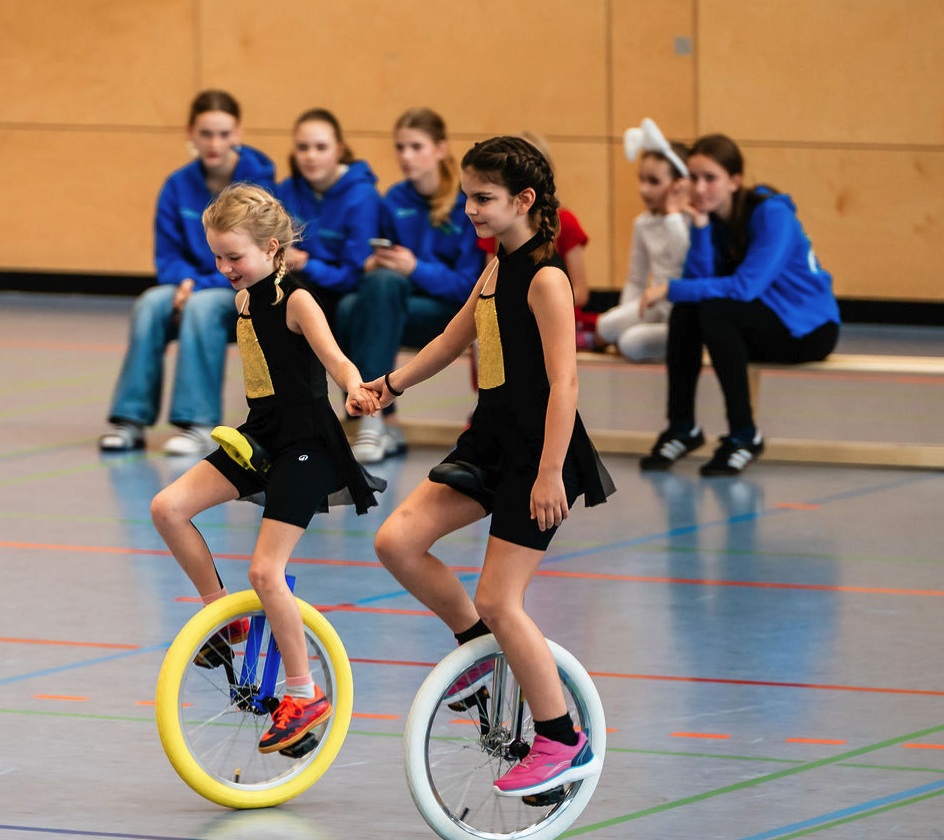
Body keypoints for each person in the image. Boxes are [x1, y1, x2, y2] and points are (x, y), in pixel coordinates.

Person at [371, 136, 614, 796]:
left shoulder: (546, 279)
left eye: (482, 198)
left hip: (540, 457)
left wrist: (548, 473)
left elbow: (565, 384)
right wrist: (388, 385)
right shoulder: (496, 267)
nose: (469, 209)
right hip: (487, 444)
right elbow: (454, 339)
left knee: (502, 597)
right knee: (396, 540)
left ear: (524, 201)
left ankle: (562, 735)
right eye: (467, 196)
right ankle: (476, 648)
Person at [150, 184, 384, 753]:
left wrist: (355, 390)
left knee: (264, 572)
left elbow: (337, 360)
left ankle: (302, 693)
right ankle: (221, 618)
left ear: (272, 247)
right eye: (217, 257)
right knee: (168, 508)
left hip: (308, 445)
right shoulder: (242, 300)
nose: (223, 268)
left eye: (234, 256)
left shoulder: (298, 301)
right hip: (261, 437)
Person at [640, 133, 840, 476]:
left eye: (711, 178)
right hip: (760, 319)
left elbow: (745, 287)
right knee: (689, 310)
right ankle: (682, 426)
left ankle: (744, 434)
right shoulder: (713, 220)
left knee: (715, 311)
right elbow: (697, 281)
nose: (700, 188)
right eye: (694, 178)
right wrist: (700, 228)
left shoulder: (772, 215)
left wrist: (667, 289)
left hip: (807, 329)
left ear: (734, 182)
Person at [100, 90, 276, 456]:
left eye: (224, 134)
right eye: (206, 134)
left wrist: (200, 285)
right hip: (189, 284)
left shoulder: (260, 182)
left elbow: (259, 258)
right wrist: (185, 282)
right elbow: (166, 255)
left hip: (240, 287)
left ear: (238, 134)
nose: (215, 143)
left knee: (203, 307)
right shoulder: (176, 185)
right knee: (150, 303)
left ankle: (197, 423)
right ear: (190, 134)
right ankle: (129, 421)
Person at [335, 107, 484, 464]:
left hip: (447, 313)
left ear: (441, 149)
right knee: (348, 306)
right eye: (400, 148)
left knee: (370, 299)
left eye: (416, 147)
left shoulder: (466, 202)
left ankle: (373, 419)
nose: (405, 156)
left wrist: (415, 268)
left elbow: (468, 285)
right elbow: (371, 263)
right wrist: (374, 263)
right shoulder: (395, 200)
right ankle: (384, 422)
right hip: (396, 305)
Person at [475, 131, 593, 349]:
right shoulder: (495, 226)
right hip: (511, 318)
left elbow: (581, 292)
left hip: (556, 318)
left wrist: (540, 306)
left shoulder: (565, 221)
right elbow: (490, 286)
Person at [275, 108, 380, 330]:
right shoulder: (287, 190)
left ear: (339, 150)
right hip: (297, 284)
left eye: (321, 147)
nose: (310, 156)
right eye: (303, 148)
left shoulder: (362, 196)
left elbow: (355, 274)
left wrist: (305, 264)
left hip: (341, 291)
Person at [595, 119, 690, 362]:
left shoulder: (691, 221)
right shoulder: (643, 223)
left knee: (631, 343)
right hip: (655, 306)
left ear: (680, 184)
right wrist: (628, 311)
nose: (644, 190)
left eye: (654, 181)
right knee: (606, 325)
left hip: (684, 311)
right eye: (642, 179)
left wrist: (672, 215)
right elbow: (636, 279)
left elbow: (685, 261)